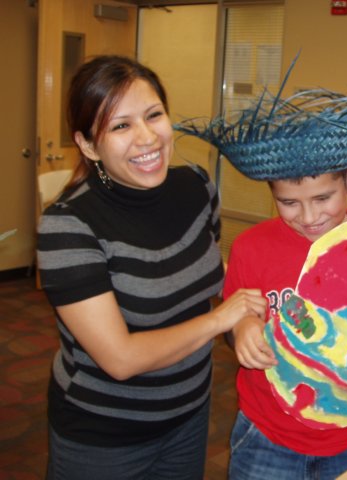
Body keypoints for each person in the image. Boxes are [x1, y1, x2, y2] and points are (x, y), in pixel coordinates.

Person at [37, 55, 266, 480]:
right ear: (88, 145)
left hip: (190, 414)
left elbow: (206, 273)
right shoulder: (67, 225)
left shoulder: (196, 186)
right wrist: (220, 319)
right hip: (105, 436)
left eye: (154, 115)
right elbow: (119, 359)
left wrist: (246, 318)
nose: (147, 137)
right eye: (121, 126)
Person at [176, 86, 347, 479]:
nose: (308, 217)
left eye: (323, 198)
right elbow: (237, 319)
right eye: (289, 203)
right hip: (266, 434)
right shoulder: (251, 247)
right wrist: (243, 329)